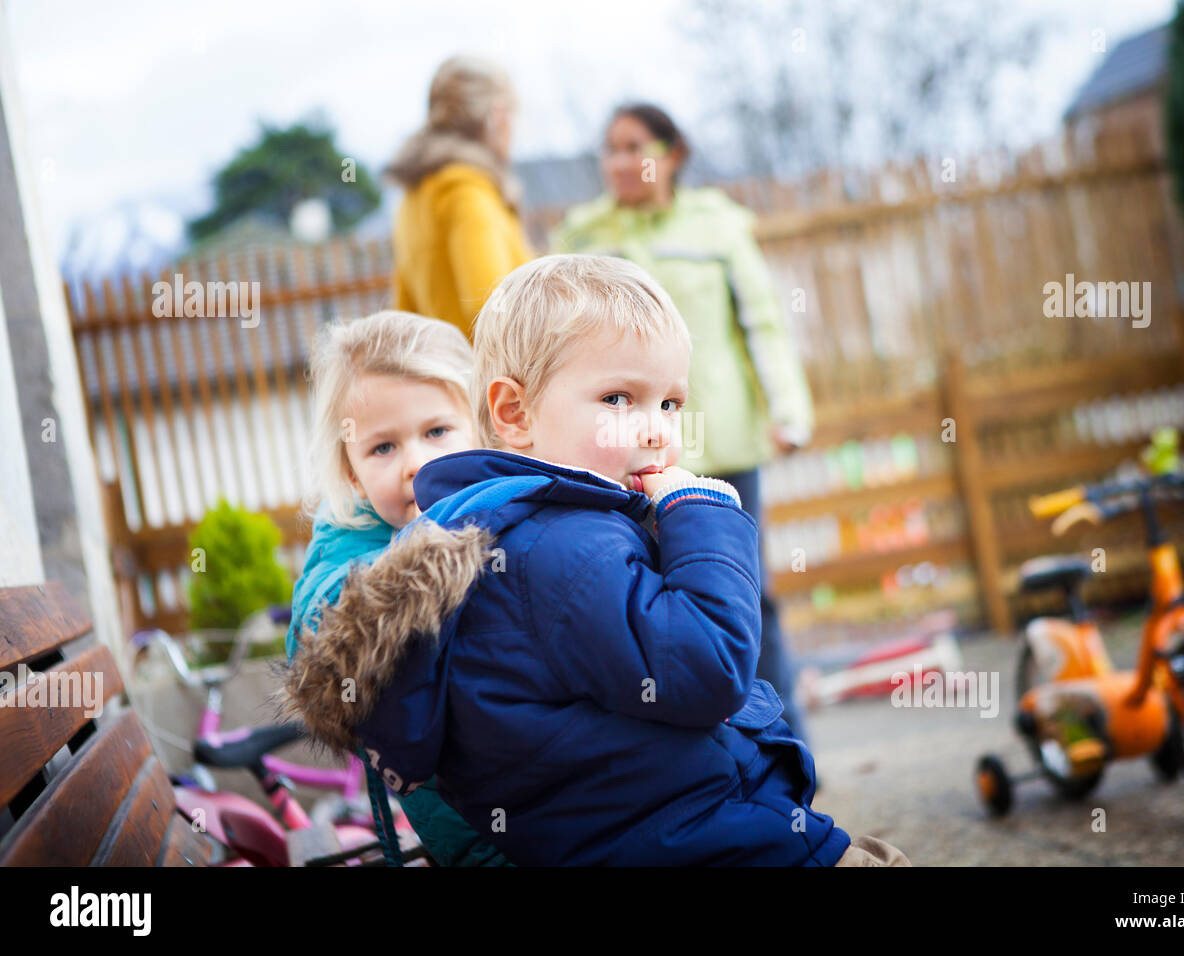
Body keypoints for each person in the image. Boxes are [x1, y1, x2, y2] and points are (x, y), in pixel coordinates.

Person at [282, 255, 908, 866]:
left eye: (669, 404)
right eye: (617, 399)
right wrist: (705, 520)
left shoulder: (549, 529)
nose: (657, 429)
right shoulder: (560, 546)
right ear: (514, 414)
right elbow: (709, 668)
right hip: (694, 835)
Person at [550, 104, 814, 741]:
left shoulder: (717, 227)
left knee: (746, 591)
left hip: (717, 441)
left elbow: (763, 321)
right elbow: (552, 335)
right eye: (608, 149)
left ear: (670, 153)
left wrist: (789, 409)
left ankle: (780, 741)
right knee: (645, 595)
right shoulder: (580, 236)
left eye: (633, 146)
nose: (618, 162)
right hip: (624, 453)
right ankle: (689, 751)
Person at [283, 309, 509, 866]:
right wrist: (423, 562)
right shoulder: (354, 538)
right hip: (475, 829)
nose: (417, 463)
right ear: (353, 472)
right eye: (383, 447)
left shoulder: (512, 500)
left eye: (437, 431)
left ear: (479, 427)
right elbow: (319, 623)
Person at [386, 55, 532, 338]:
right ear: (498, 115)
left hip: (451, 375)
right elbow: (495, 311)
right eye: (512, 116)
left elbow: (405, 315)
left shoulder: (413, 196)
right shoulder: (468, 192)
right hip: (493, 379)